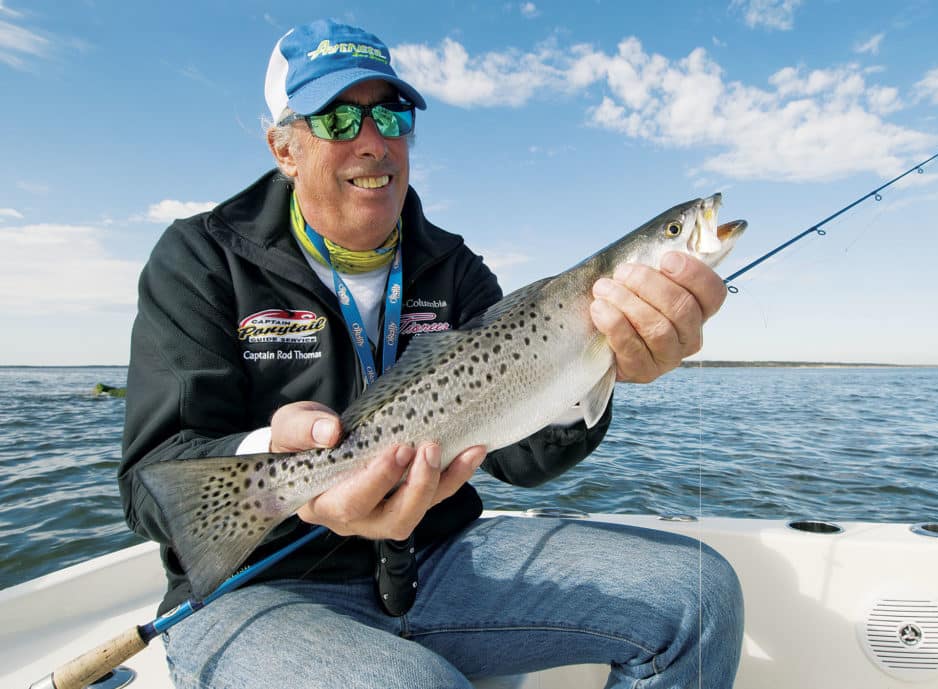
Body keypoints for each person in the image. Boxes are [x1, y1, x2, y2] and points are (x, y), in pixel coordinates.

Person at [118, 19, 743, 689]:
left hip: (437, 562)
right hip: (263, 586)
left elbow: (519, 459)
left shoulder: (455, 266)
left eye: (390, 114)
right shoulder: (201, 259)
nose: (372, 141)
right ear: (284, 147)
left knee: (699, 595)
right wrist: (274, 457)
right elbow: (153, 479)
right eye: (337, 119)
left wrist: (601, 373)